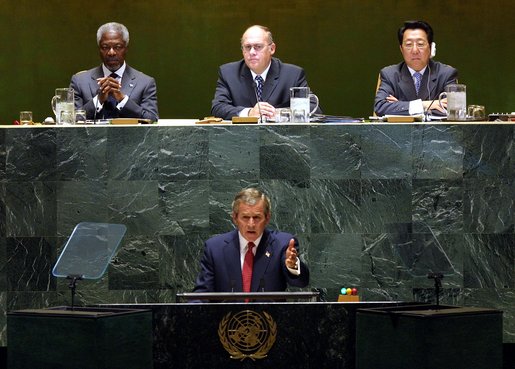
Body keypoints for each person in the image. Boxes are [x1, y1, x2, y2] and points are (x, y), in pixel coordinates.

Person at [193, 187, 309, 295]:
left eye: (257, 217)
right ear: (234, 218)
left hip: (269, 316)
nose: (251, 224)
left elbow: (301, 283)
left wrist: (292, 266)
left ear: (267, 218)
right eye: (245, 217)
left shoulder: (282, 244)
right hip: (227, 317)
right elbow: (202, 295)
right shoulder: (215, 248)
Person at [211, 25, 320, 120]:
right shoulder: (228, 73)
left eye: (258, 47)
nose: (252, 52)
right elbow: (218, 107)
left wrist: (277, 113)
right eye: (247, 47)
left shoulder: (292, 75)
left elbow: (314, 108)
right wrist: (249, 113)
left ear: (272, 48)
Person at [70, 22, 159, 121]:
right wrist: (98, 100)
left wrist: (122, 99)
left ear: (126, 49)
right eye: (105, 47)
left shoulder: (145, 83)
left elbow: (152, 119)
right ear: (99, 49)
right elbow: (71, 119)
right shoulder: (80, 81)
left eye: (117, 47)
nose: (111, 52)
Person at [374, 20, 458, 117]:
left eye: (420, 44)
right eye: (409, 45)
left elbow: (453, 109)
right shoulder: (390, 74)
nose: (415, 50)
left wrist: (401, 106)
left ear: (431, 47)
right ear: (401, 49)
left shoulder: (446, 74)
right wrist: (424, 105)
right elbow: (380, 107)